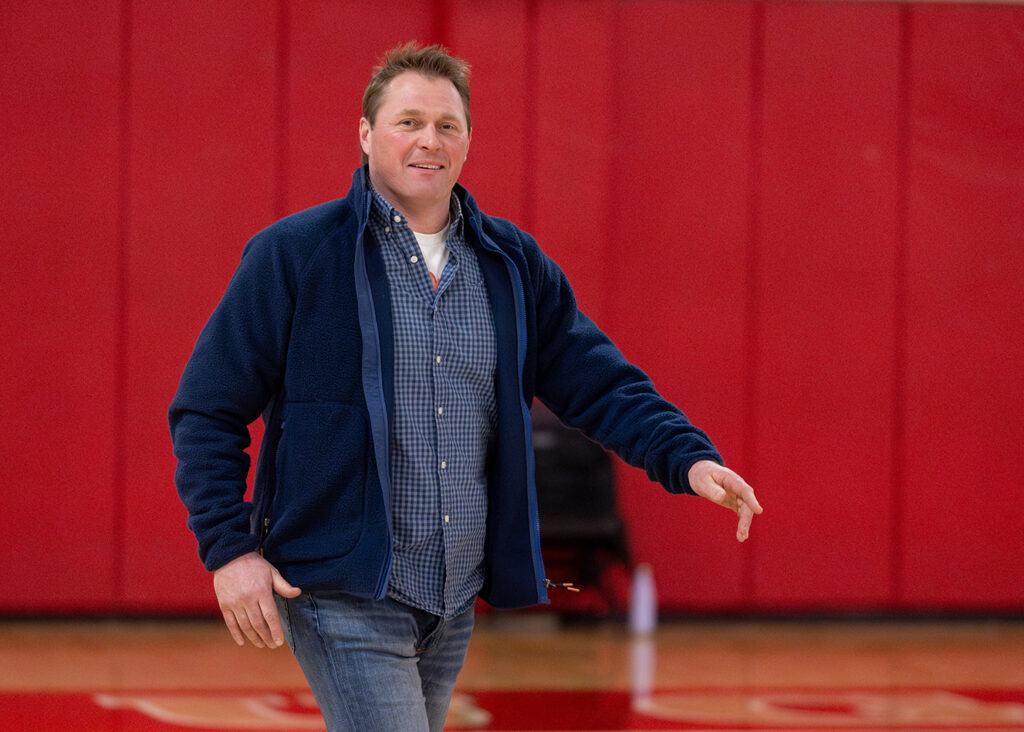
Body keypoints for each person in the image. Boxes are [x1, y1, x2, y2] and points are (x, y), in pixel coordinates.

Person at [169, 42, 762, 732]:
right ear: (365, 135)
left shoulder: (512, 263)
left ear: (469, 141)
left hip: (453, 597)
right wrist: (229, 548)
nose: (429, 140)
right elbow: (207, 408)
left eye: (447, 125)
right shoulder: (295, 254)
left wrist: (688, 458)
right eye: (408, 121)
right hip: (342, 587)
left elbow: (598, 380)